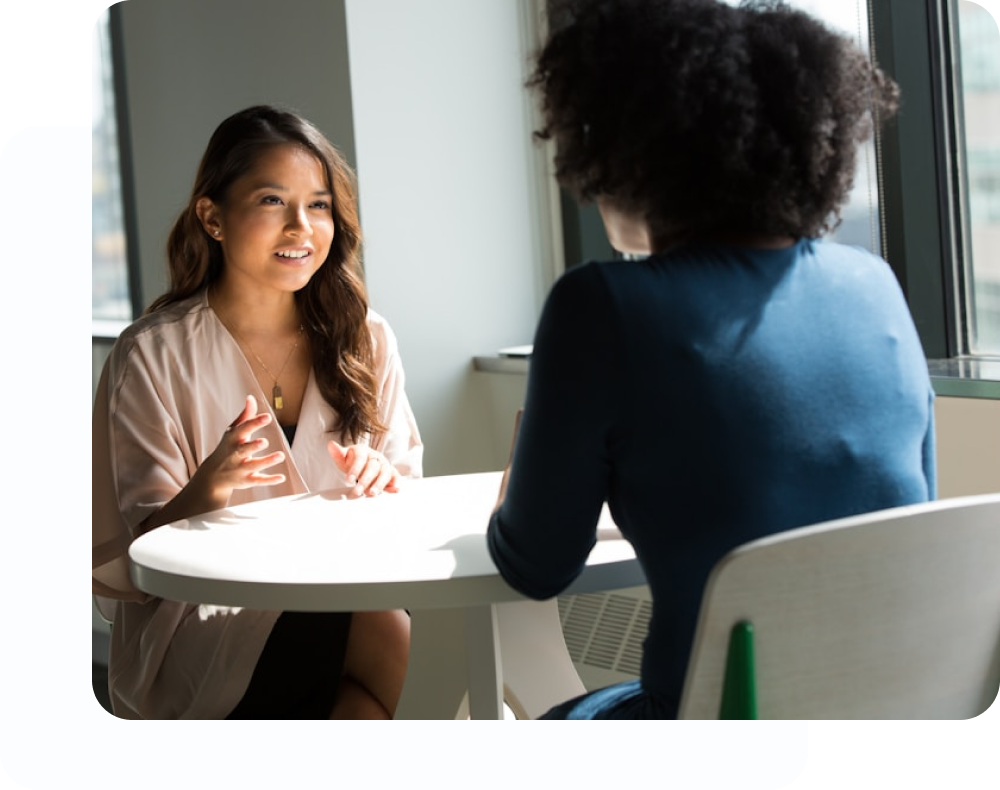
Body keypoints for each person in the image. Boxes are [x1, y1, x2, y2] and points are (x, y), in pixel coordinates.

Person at [487, 0, 936, 719]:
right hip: (895, 702)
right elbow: (907, 518)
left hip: (715, 727)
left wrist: (521, 491)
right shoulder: (874, 287)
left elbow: (535, 566)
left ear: (629, 153)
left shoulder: (600, 304)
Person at [92, 104, 423, 719]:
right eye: (273, 201)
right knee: (392, 643)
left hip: (344, 595)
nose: (301, 226)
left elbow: (409, 502)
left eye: (319, 204)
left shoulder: (366, 338)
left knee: (366, 711)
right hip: (205, 629)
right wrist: (205, 493)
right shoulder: (153, 355)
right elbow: (131, 563)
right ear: (212, 218)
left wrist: (385, 481)